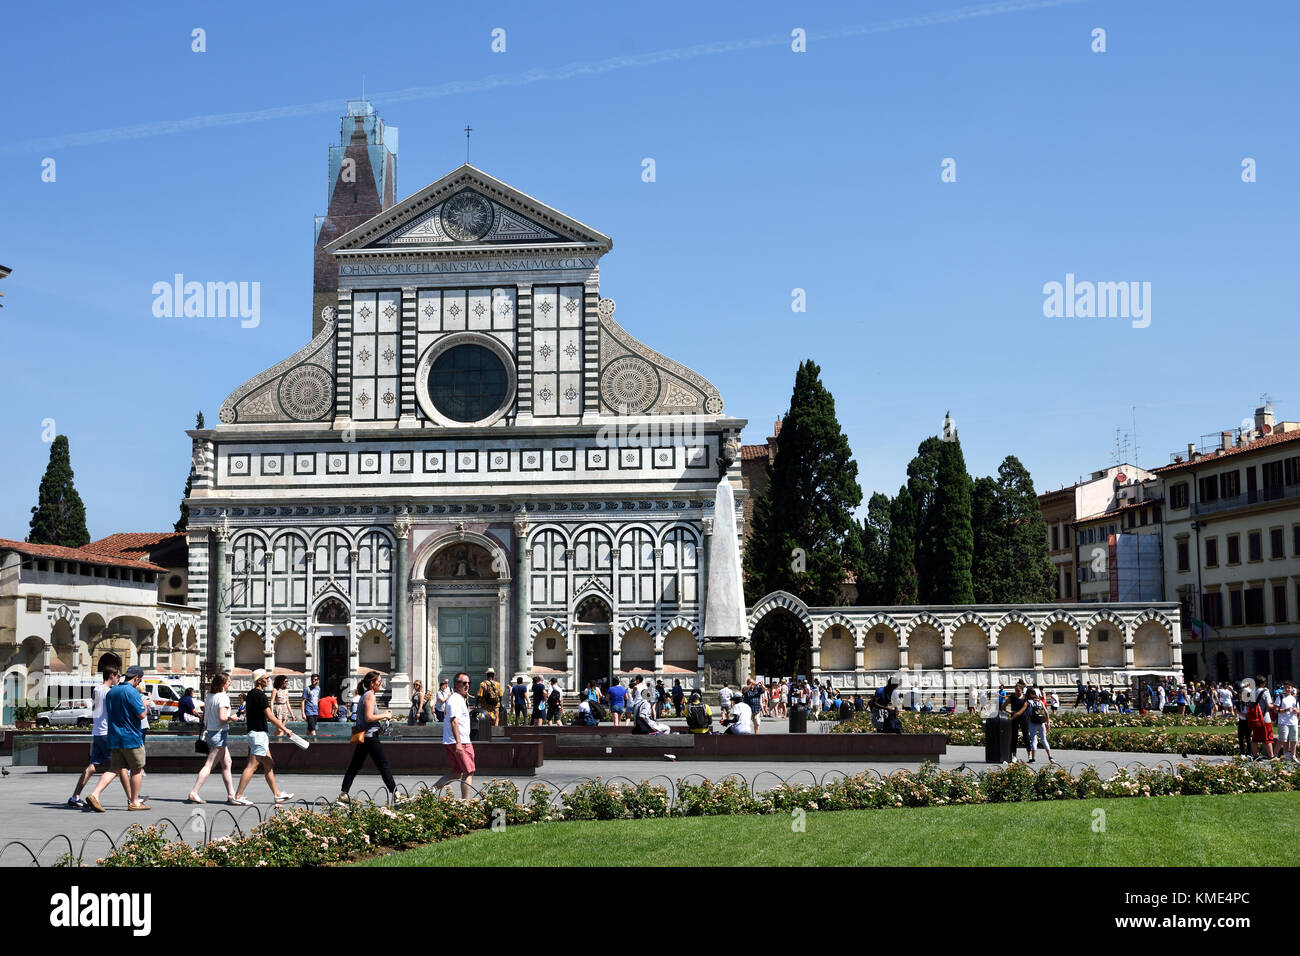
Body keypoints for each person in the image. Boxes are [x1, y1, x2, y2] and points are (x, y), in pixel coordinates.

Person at [83, 665, 150, 813]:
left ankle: (95, 794)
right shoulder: (131, 692)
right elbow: (141, 715)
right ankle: (134, 802)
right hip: (131, 737)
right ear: (137, 678)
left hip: (114, 736)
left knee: (115, 768)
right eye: (140, 679)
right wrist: (145, 705)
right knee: (137, 769)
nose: (139, 682)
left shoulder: (112, 691)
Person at [230, 669, 296, 806]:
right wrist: (285, 729)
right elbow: (270, 716)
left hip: (257, 734)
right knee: (252, 766)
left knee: (269, 764)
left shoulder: (251, 694)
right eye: (266, 678)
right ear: (259, 680)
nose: (268, 680)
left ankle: (277, 794)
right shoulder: (259, 695)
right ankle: (238, 796)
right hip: (258, 734)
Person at [338, 670, 399, 802]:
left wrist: (382, 714)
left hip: (364, 736)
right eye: (379, 682)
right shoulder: (370, 696)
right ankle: (396, 795)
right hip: (370, 736)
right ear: (372, 684)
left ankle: (343, 793)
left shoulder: (364, 695)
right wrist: (385, 715)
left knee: (355, 765)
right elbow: (369, 717)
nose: (381, 685)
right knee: (383, 764)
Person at [70, 664, 119, 807]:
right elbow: (113, 712)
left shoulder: (97, 689)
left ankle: (75, 797)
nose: (118, 679)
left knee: (92, 767)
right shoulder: (109, 692)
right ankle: (132, 799)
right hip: (106, 733)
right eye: (117, 676)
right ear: (111, 676)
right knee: (118, 767)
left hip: (97, 732)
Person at [187, 672, 239, 804]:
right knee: (209, 765)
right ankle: (194, 792)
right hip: (219, 734)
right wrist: (231, 718)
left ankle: (231, 795)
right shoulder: (223, 698)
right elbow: (222, 718)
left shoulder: (209, 696)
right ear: (222, 684)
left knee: (227, 763)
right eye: (228, 681)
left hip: (210, 732)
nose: (230, 683)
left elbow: (206, 715)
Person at [431, 671, 475, 798]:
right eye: (463, 683)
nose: (467, 685)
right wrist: (459, 743)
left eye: (468, 683)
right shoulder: (455, 699)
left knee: (456, 773)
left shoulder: (458, 698)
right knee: (468, 772)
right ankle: (465, 804)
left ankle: (429, 792)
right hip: (460, 742)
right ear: (456, 684)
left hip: (452, 741)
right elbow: (454, 721)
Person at [1025, 688, 1054, 764]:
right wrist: (1048, 723)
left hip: (1033, 723)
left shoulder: (1029, 702)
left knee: (1034, 740)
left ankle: (1033, 758)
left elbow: (1027, 714)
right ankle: (1050, 757)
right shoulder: (1040, 702)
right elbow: (1047, 713)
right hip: (1041, 723)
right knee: (1044, 740)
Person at [1250, 675, 1275, 760]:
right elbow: (1269, 705)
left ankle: (1255, 756)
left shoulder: (1252, 691)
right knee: (1267, 738)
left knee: (1255, 738)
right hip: (1264, 718)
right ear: (1263, 683)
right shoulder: (1265, 691)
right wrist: (1276, 706)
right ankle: (1271, 756)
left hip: (1255, 718)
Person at [1005, 681, 1029, 763]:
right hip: (1015, 719)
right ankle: (1014, 756)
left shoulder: (1025, 698)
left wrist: (1011, 718)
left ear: (1022, 690)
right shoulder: (1012, 697)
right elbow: (1003, 706)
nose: (1017, 692)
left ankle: (1029, 755)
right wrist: (1010, 712)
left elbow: (1021, 711)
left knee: (1026, 736)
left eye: (1018, 691)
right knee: (1014, 737)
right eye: (1015, 690)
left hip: (1023, 718)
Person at [1275, 681, 1298, 763]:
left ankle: (1293, 756)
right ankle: (1275, 755)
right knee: (1282, 739)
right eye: (1286, 687)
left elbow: (1299, 710)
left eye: (1289, 688)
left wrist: (1296, 711)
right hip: (1283, 722)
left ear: (1292, 689)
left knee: (1294, 740)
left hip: (1293, 722)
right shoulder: (1280, 697)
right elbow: (1276, 710)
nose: (1287, 689)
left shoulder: (1295, 698)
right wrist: (1286, 710)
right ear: (1283, 688)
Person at [302, 673, 322, 738]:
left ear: (318, 680)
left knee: (310, 728)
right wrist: (303, 713)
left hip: (315, 711)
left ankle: (305, 740)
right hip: (309, 711)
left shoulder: (318, 689)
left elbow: (317, 700)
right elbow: (302, 701)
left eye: (315, 680)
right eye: (312, 680)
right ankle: (315, 744)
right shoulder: (307, 689)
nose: (313, 681)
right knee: (313, 729)